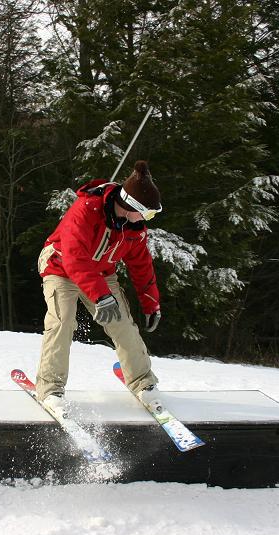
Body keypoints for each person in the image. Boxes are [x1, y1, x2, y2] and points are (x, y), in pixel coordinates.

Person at [36, 160, 163, 415]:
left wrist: (151, 304)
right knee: (62, 321)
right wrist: (100, 295)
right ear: (130, 206)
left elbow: (141, 266)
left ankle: (143, 383)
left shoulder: (134, 229)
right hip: (60, 266)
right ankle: (50, 389)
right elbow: (74, 256)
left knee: (122, 323)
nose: (147, 219)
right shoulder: (85, 210)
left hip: (100, 274)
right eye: (147, 213)